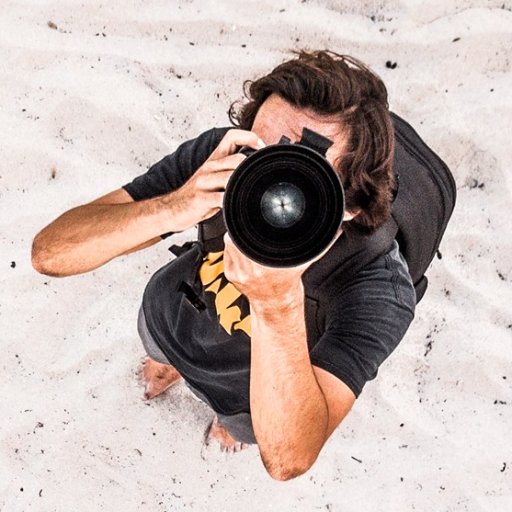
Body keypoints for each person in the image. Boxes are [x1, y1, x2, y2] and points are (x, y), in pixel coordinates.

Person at [32, 51, 416, 481]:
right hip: (173, 313)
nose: (267, 185)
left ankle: (224, 422)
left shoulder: (377, 287)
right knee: (159, 346)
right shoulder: (222, 161)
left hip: (252, 393)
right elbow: (50, 253)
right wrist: (177, 205)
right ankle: (170, 363)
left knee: (240, 426)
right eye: (259, 157)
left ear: (351, 206)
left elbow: (289, 457)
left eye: (300, 176)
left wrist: (278, 302)